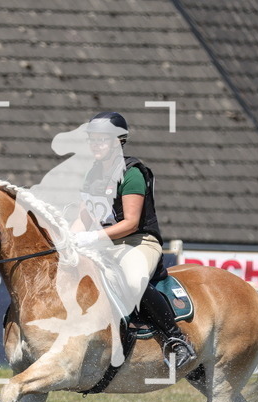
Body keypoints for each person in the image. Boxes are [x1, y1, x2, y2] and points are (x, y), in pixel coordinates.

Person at [72, 111, 196, 369]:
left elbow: (130, 223)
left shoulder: (132, 173)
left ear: (118, 141)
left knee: (132, 281)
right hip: (105, 242)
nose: (96, 144)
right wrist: (69, 238)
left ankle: (176, 339)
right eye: (92, 139)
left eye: (102, 140)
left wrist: (92, 236)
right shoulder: (92, 174)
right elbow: (83, 216)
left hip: (139, 242)